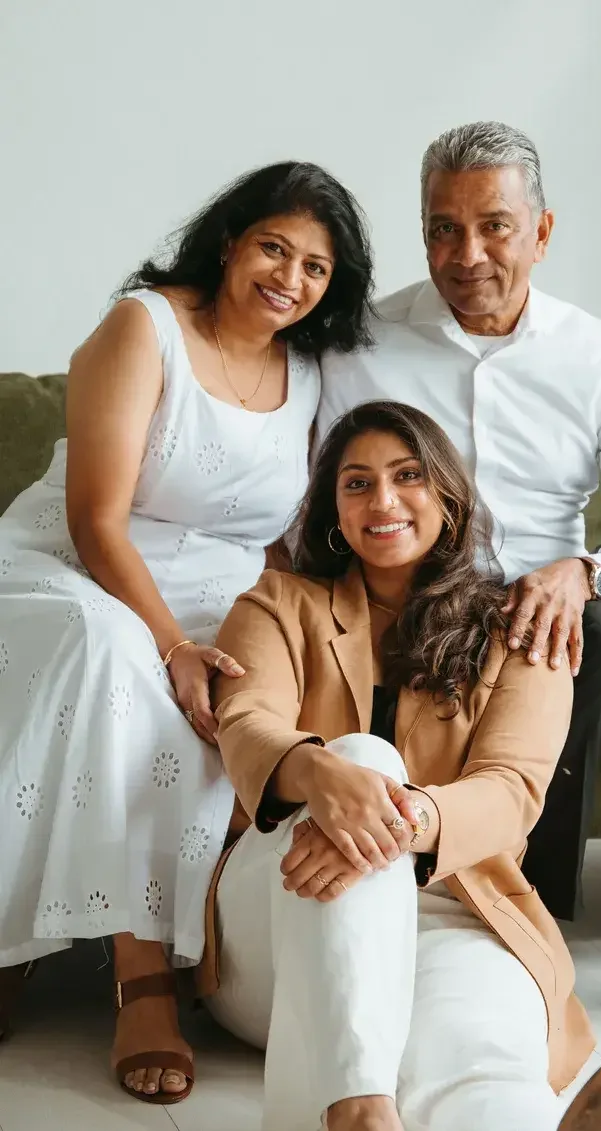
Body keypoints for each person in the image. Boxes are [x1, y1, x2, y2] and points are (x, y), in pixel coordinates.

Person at [317, 120, 601, 1037]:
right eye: (442, 228)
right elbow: (326, 497)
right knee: (592, 635)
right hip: (437, 607)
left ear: (543, 231)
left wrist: (586, 568)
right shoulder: (367, 345)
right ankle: (529, 925)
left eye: (495, 227)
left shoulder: (599, 354)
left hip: (572, 591)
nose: (466, 253)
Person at [0, 160, 375, 1103]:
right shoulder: (146, 326)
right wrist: (170, 644)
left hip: (217, 592)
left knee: (248, 691)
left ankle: (206, 949)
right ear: (229, 242)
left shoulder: (309, 369)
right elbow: (96, 520)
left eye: (316, 268)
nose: (289, 278)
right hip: (74, 565)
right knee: (112, 650)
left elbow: (287, 535)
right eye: (273, 248)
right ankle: (140, 975)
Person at [199, 400, 592, 1131]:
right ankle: (356, 1110)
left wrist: (390, 824)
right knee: (361, 755)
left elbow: (512, 791)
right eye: (356, 483)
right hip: (283, 898)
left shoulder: (518, 628)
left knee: (477, 1055)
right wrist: (325, 779)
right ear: (332, 511)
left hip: (456, 906)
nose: (382, 500)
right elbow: (245, 723)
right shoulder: (277, 602)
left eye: (407, 475)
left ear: (447, 492)